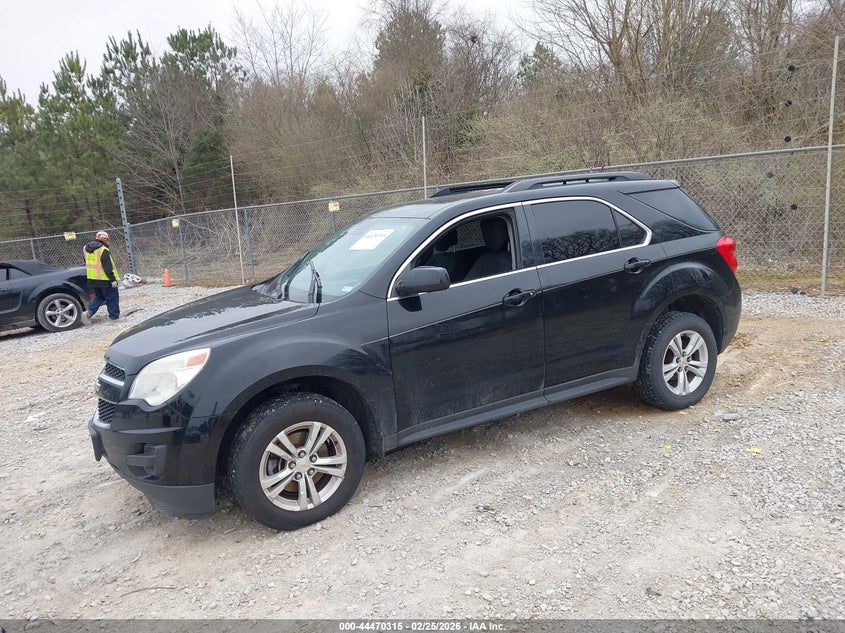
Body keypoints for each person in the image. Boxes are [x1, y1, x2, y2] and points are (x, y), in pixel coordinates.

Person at [82, 230, 121, 323]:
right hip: (105, 279)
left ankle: (89, 313)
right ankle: (114, 317)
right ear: (104, 239)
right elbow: (107, 266)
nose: (107, 241)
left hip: (93, 279)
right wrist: (112, 279)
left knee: (99, 297)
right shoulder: (103, 249)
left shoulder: (86, 249)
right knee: (112, 297)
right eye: (107, 239)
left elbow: (86, 262)